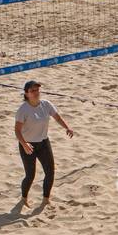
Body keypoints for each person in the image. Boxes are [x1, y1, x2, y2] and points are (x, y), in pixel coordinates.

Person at [14, 81, 74, 209]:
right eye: (32, 91)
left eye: (37, 90)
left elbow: (57, 117)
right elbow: (17, 130)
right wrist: (24, 144)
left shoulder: (46, 104)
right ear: (26, 94)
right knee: (30, 175)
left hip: (43, 143)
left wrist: (67, 127)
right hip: (28, 145)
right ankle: (24, 198)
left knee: (50, 172)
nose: (36, 93)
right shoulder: (23, 109)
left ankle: (46, 199)